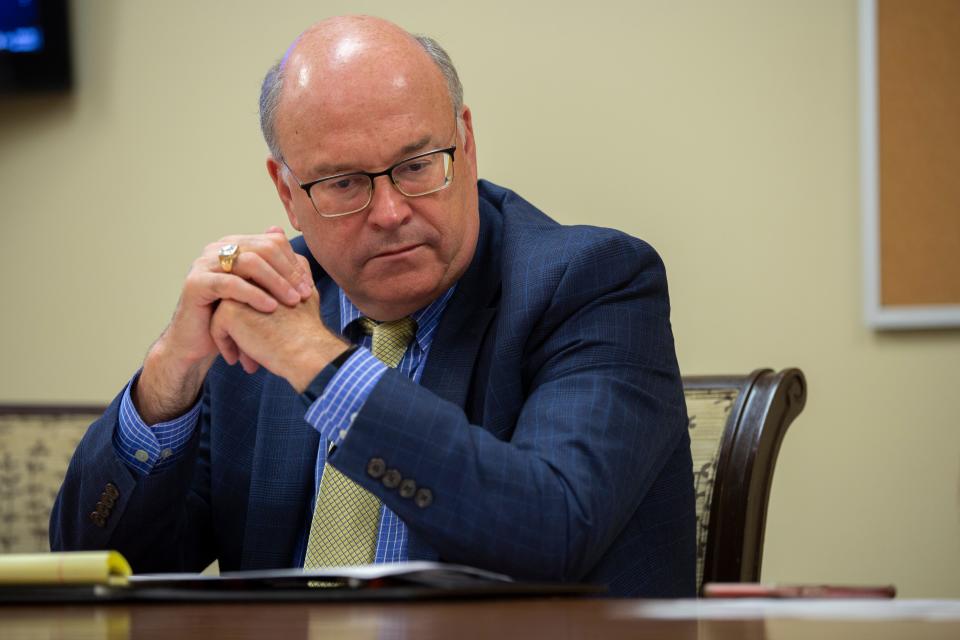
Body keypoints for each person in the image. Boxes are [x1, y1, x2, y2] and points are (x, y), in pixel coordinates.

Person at [51, 15, 695, 597]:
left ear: (465, 144)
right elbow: (99, 570)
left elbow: (549, 532)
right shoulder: (268, 301)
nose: (390, 213)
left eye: (416, 165)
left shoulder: (591, 283)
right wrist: (171, 372)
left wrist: (317, 362)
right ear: (287, 190)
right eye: (344, 183)